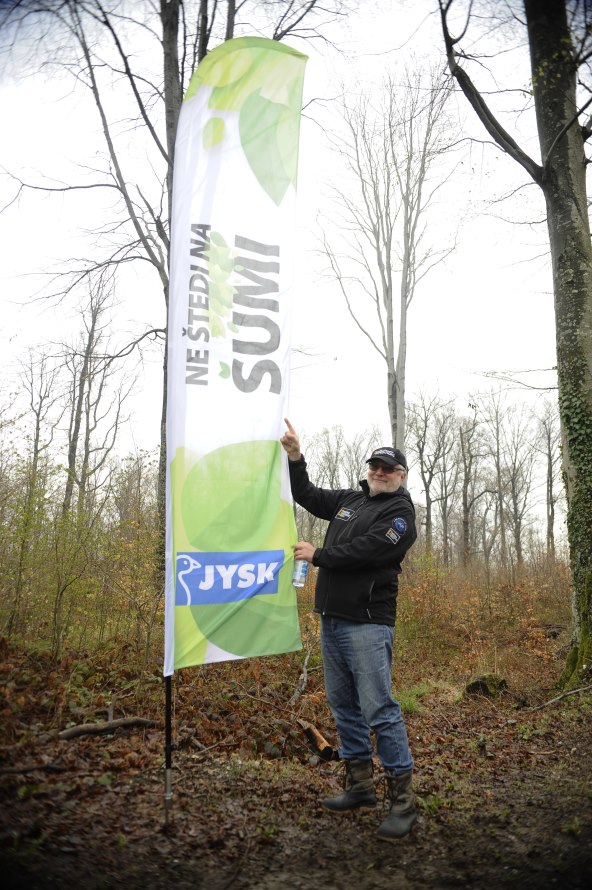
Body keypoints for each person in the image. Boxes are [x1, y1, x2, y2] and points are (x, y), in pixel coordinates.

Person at [280, 418, 418, 841]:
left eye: (388, 469)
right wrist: (295, 457)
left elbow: (370, 550)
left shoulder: (401, 514)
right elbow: (306, 495)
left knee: (379, 708)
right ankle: (359, 786)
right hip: (333, 619)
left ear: (401, 476)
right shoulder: (350, 501)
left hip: (368, 624)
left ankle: (404, 803)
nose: (379, 472)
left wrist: (319, 554)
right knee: (343, 705)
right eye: (375, 466)